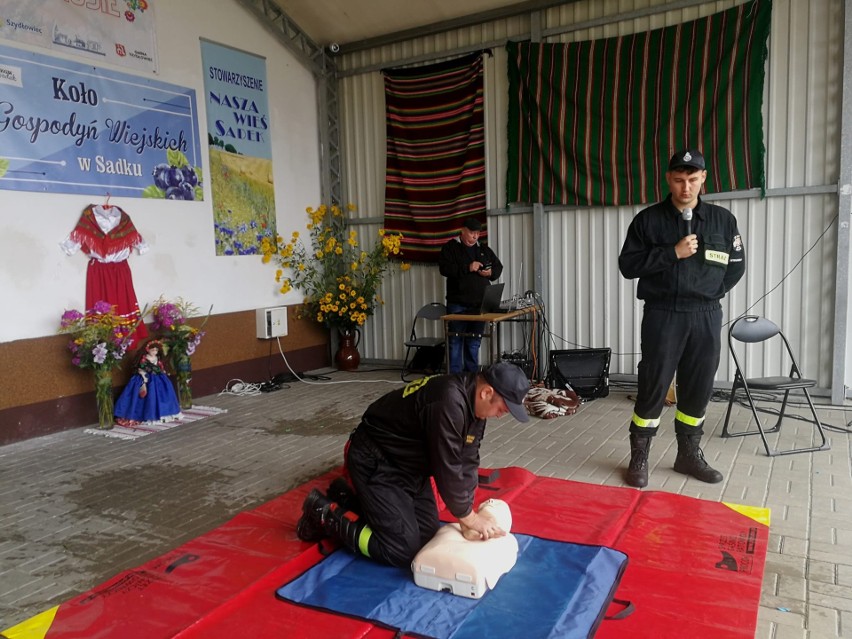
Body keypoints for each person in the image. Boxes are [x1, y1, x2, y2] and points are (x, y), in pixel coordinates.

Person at [296, 361, 530, 568]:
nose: (501, 415)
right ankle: (323, 514)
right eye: (503, 408)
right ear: (486, 392)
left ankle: (346, 497)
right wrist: (469, 518)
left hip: (409, 466)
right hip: (377, 460)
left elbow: (468, 460)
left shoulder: (474, 408)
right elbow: (447, 467)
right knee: (401, 549)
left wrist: (467, 515)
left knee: (428, 539)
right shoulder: (448, 401)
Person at [618, 148, 746, 488]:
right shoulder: (648, 221)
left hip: (705, 314)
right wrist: (670, 253)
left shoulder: (722, 220)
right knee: (654, 384)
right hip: (663, 314)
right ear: (668, 180)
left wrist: (710, 292)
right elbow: (628, 266)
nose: (685, 188)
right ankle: (640, 456)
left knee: (698, 386)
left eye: (692, 180)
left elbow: (736, 267)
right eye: (678, 180)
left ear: (704, 178)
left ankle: (688, 455)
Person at [438, 217, 504, 373]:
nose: (475, 236)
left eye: (477, 233)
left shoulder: (484, 249)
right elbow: (445, 269)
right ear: (463, 231)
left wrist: (490, 273)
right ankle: (454, 378)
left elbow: (498, 267)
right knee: (455, 341)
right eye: (471, 232)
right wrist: (468, 267)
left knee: (474, 341)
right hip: (458, 303)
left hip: (480, 305)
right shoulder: (450, 247)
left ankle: (472, 376)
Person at [114, 339, 182, 425]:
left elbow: (159, 367)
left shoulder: (157, 358)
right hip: (145, 376)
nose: (154, 352)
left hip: (158, 378)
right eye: (152, 350)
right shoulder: (144, 359)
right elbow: (144, 367)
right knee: (145, 394)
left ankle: (165, 412)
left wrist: (162, 370)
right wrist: (146, 374)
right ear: (147, 349)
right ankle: (146, 413)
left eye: (156, 350)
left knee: (165, 391)